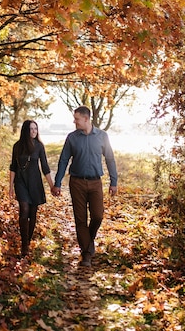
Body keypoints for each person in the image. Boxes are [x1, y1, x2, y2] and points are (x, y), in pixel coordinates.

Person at [52, 106, 118, 267]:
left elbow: (110, 159)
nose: (74, 121)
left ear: (86, 119)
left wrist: (114, 181)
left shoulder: (102, 136)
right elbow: (63, 160)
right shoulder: (72, 138)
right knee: (80, 219)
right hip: (77, 182)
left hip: (96, 182)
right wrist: (58, 182)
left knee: (98, 216)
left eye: (77, 119)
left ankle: (88, 241)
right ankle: (86, 253)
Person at [9, 120, 55, 257]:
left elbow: (45, 167)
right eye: (31, 129)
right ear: (25, 130)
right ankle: (24, 245)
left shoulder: (39, 146)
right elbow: (13, 167)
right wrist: (10, 186)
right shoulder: (17, 146)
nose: (34, 131)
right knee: (24, 210)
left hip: (35, 182)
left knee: (33, 213)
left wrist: (52, 185)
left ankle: (28, 241)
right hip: (21, 182)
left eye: (35, 129)